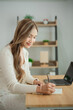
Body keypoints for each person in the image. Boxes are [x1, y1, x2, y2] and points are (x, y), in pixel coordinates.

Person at [0, 19, 55, 110]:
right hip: (5, 96)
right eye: (29, 36)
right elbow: (13, 86)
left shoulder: (25, 52)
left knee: (45, 101)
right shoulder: (6, 52)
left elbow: (27, 76)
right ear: (21, 33)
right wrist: (39, 89)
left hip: (18, 92)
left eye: (34, 37)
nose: (32, 40)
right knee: (41, 104)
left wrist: (35, 81)